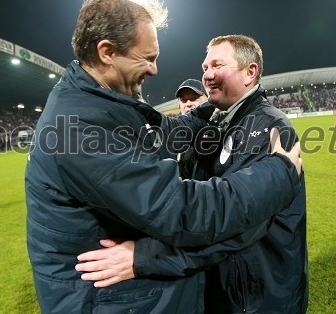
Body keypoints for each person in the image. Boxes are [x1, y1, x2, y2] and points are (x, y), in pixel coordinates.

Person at [25, 0, 303, 314]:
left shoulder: (98, 102)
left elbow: (166, 133)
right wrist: (279, 171)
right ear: (107, 52)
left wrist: (209, 108)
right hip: (110, 300)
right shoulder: (80, 127)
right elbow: (184, 211)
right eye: (148, 58)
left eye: (217, 66)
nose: (155, 69)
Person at [77, 35, 308, 313]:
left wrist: (146, 258)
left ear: (250, 72)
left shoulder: (269, 128)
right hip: (227, 286)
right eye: (205, 67)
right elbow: (169, 135)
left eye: (217, 65)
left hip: (256, 296)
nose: (207, 75)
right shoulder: (215, 117)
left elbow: (238, 225)